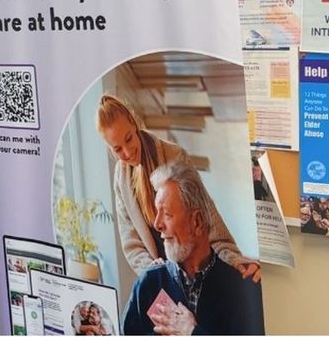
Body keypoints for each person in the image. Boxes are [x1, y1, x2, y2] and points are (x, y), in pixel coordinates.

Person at [96, 94, 259, 281]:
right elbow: (131, 242)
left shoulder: (174, 155)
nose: (127, 152)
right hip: (160, 276)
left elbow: (206, 215)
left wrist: (233, 258)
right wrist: (152, 271)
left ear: (133, 124)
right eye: (117, 149)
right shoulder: (120, 178)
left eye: (129, 139)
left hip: (194, 268)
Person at [121, 161, 265, 336]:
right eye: (157, 213)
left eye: (166, 214)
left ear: (197, 222)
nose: (157, 224)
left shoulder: (241, 290)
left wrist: (193, 332)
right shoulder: (149, 283)